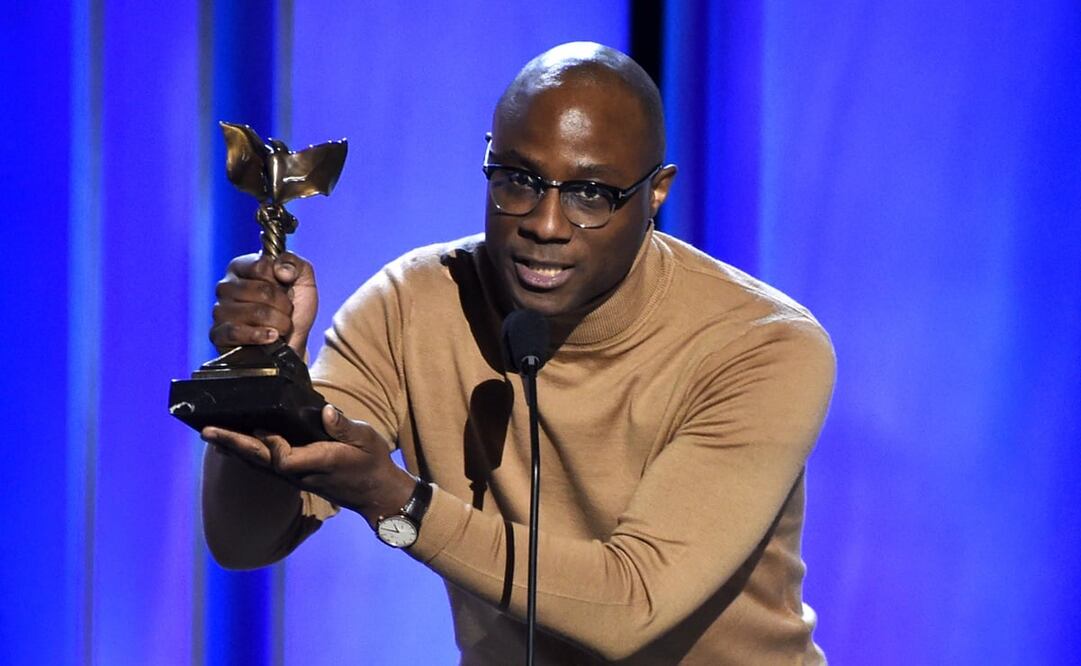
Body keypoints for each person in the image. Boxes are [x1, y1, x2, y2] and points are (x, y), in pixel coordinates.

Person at [201, 42, 835, 664]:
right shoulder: (413, 303)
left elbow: (635, 605)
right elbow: (243, 540)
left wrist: (400, 502)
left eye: (591, 194)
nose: (546, 224)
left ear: (656, 192)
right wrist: (267, 382)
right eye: (518, 181)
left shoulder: (760, 344)